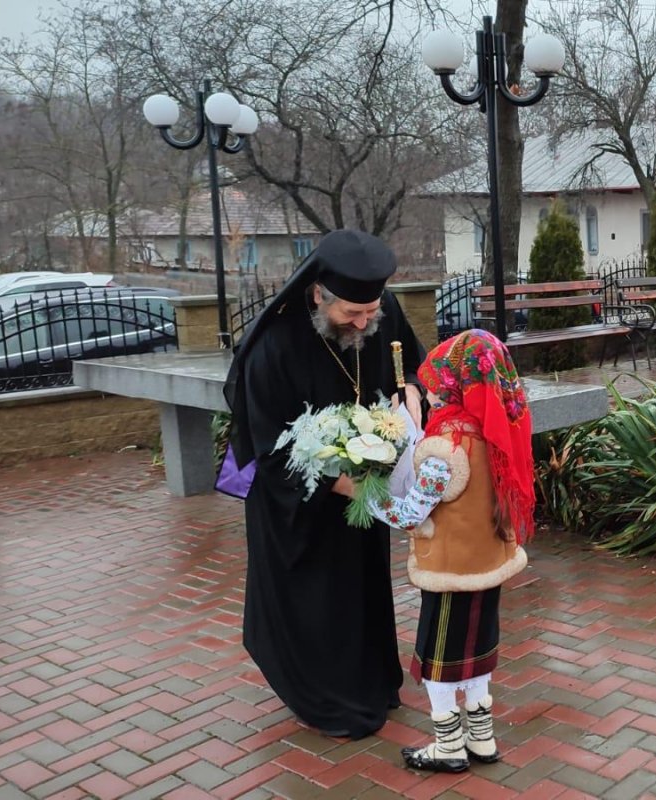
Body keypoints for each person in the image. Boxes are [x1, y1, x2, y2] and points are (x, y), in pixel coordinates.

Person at [222, 229, 427, 740]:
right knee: (317, 602)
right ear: (319, 295)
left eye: (370, 312)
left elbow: (410, 367)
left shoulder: (380, 309)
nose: (364, 323)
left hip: (366, 491)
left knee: (362, 590)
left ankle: (372, 683)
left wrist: (414, 395)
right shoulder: (275, 345)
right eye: (351, 315)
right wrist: (349, 487)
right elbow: (272, 449)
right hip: (301, 509)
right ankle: (325, 699)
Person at [365, 329, 534, 773]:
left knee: (440, 660)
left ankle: (447, 745)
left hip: (449, 571)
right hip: (487, 566)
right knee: (478, 651)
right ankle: (482, 738)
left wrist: (362, 494)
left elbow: (409, 512)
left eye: (437, 384)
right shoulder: (492, 436)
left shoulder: (445, 449)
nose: (432, 393)